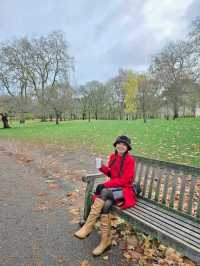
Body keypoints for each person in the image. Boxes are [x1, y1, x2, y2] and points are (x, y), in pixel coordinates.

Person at [74, 135, 137, 256]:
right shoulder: (113, 157)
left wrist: (106, 185)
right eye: (119, 143)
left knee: (104, 191)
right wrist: (102, 167)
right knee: (106, 204)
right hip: (114, 190)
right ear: (116, 145)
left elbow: (125, 181)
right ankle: (105, 241)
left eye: (124, 145)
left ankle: (88, 226)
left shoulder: (130, 160)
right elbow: (111, 173)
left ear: (128, 147)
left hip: (124, 191)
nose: (121, 146)